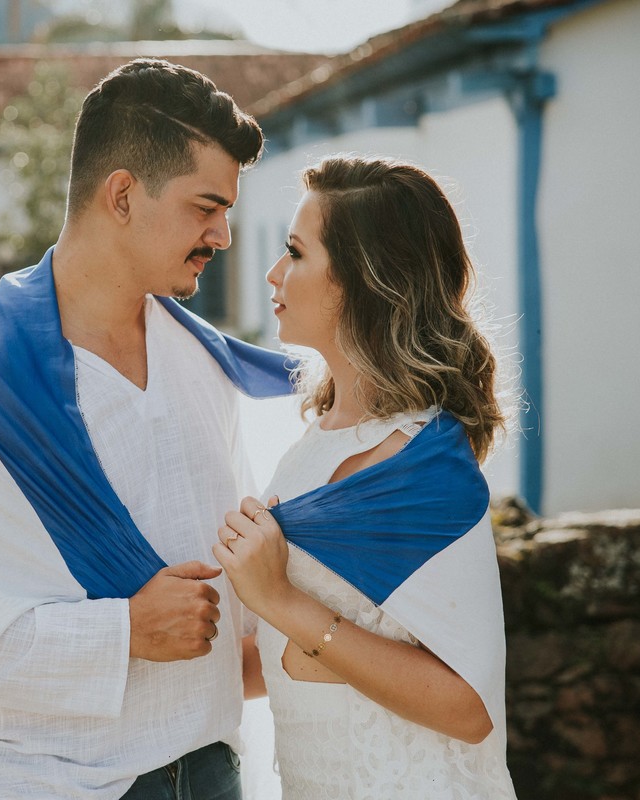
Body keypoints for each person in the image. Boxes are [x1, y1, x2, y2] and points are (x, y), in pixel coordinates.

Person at [0, 59, 295, 800]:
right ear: (122, 195)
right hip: (31, 780)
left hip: (207, 773)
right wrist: (122, 634)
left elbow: (237, 605)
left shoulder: (207, 365)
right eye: (206, 207)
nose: (224, 235)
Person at [215, 156, 518, 799]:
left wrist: (278, 600)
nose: (274, 273)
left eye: (296, 253)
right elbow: (303, 653)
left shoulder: (417, 461)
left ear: (364, 283)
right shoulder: (320, 438)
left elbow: (469, 705)